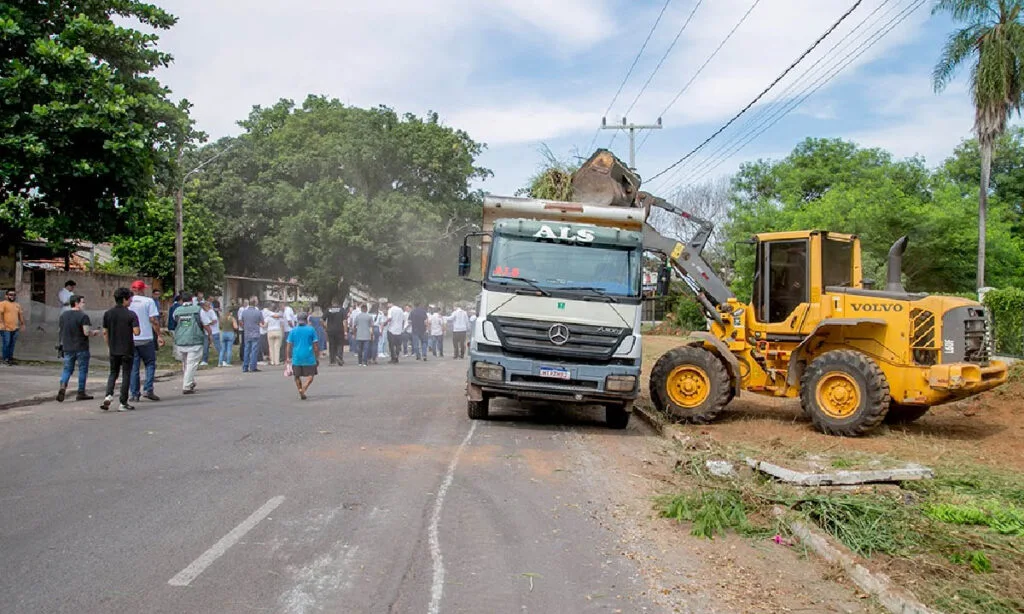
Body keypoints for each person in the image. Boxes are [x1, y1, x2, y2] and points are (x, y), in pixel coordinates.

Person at [101, 288, 141, 411]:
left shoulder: (108, 314)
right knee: (126, 375)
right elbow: (137, 332)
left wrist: (110, 345)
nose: (130, 302)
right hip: (127, 349)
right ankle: (123, 402)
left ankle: (108, 395)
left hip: (113, 349)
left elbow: (105, 332)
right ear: (124, 299)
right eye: (130, 299)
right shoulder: (131, 314)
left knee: (113, 373)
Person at [56, 294, 101, 402]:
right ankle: (81, 392)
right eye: (83, 302)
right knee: (82, 370)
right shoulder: (83, 316)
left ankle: (63, 385)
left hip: (68, 347)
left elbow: (61, 330)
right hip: (81, 347)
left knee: (67, 369)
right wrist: (93, 332)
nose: (84, 304)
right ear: (76, 303)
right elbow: (86, 332)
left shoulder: (63, 315)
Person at [128, 280, 162, 403]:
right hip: (146, 337)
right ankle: (148, 389)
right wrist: (159, 335)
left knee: (134, 367)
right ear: (142, 289)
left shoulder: (128, 302)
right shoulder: (149, 301)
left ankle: (134, 393)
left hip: (131, 338)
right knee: (150, 364)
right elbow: (153, 319)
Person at [172, 292, 206, 394]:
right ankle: (186, 386)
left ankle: (190, 381)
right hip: (194, 340)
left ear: (182, 300)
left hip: (181, 340)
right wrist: (209, 335)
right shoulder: (198, 310)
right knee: (191, 363)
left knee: (185, 363)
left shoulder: (177, 311)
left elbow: (175, 321)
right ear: (192, 299)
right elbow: (205, 323)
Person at [286, 312, 320, 400]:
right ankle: (304, 388)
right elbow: (315, 345)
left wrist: (287, 357)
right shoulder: (311, 330)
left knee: (297, 376)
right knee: (311, 375)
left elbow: (288, 345)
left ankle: (300, 389)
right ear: (306, 320)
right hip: (309, 356)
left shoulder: (293, 330)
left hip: (296, 356)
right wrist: (317, 356)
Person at [0, 289, 26, 366]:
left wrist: (22, 324)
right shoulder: (3, 304)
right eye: (10, 294)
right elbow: (0, 314)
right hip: (5, 328)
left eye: (14, 295)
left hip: (15, 328)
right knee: (6, 343)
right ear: (6, 296)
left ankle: (10, 358)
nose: (12, 296)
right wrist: (2, 324)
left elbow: (20, 315)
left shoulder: (17, 305)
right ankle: (5, 359)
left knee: (12, 344)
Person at [239, 297, 264, 373]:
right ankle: (253, 366)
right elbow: (262, 322)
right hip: (255, 333)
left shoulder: (244, 312)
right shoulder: (258, 312)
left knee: (246, 350)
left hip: (247, 333)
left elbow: (241, 321)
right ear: (255, 303)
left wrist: (245, 327)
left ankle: (245, 367)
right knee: (254, 350)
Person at [199, 300, 221, 366]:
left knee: (218, 346)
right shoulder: (202, 312)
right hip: (207, 332)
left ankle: (223, 359)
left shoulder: (211, 311)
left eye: (209, 306)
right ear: (203, 306)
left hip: (215, 331)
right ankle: (204, 360)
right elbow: (206, 324)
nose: (208, 307)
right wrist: (209, 323)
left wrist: (209, 322)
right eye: (207, 306)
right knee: (205, 346)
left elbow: (214, 321)